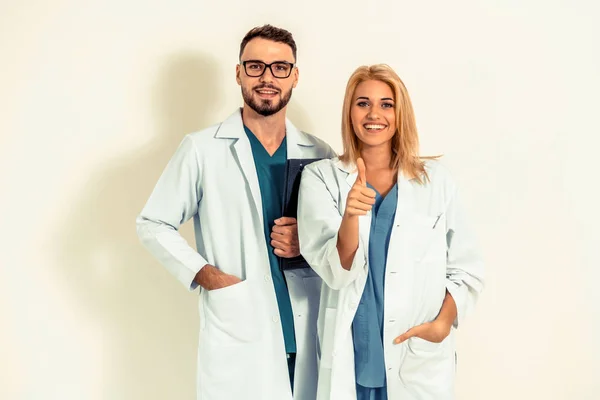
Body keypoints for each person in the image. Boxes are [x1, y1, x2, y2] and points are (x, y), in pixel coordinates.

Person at [136, 25, 335, 400]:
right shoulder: (201, 149)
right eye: (255, 66)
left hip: (307, 324)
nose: (267, 78)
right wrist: (207, 275)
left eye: (279, 67)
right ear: (239, 72)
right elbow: (153, 223)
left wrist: (305, 242)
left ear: (295, 76)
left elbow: (338, 241)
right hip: (240, 326)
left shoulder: (319, 153)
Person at [296, 64, 484, 400]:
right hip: (353, 352)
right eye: (362, 103)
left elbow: (466, 268)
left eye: (387, 104)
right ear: (349, 112)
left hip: (416, 354)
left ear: (400, 113)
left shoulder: (435, 181)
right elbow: (334, 271)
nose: (374, 114)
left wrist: (441, 325)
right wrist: (351, 215)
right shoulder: (321, 177)